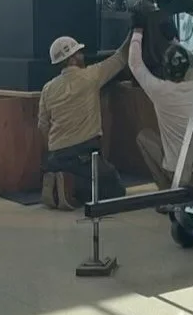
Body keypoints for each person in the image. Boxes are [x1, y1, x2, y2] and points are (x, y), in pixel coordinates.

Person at [127, 5, 193, 201]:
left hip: (185, 175)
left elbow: (135, 64)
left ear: (164, 69)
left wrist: (138, 30)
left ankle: (168, 197)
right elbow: (187, 59)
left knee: (144, 137)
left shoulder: (160, 91)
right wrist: (174, 40)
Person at [38, 34, 128, 210]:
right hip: (83, 154)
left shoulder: (47, 88)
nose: (82, 56)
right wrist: (136, 30)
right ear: (72, 59)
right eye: (78, 53)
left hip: (56, 156)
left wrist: (53, 149)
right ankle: (71, 185)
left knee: (89, 176)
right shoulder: (91, 76)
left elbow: (43, 125)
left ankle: (57, 179)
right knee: (114, 189)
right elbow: (120, 58)